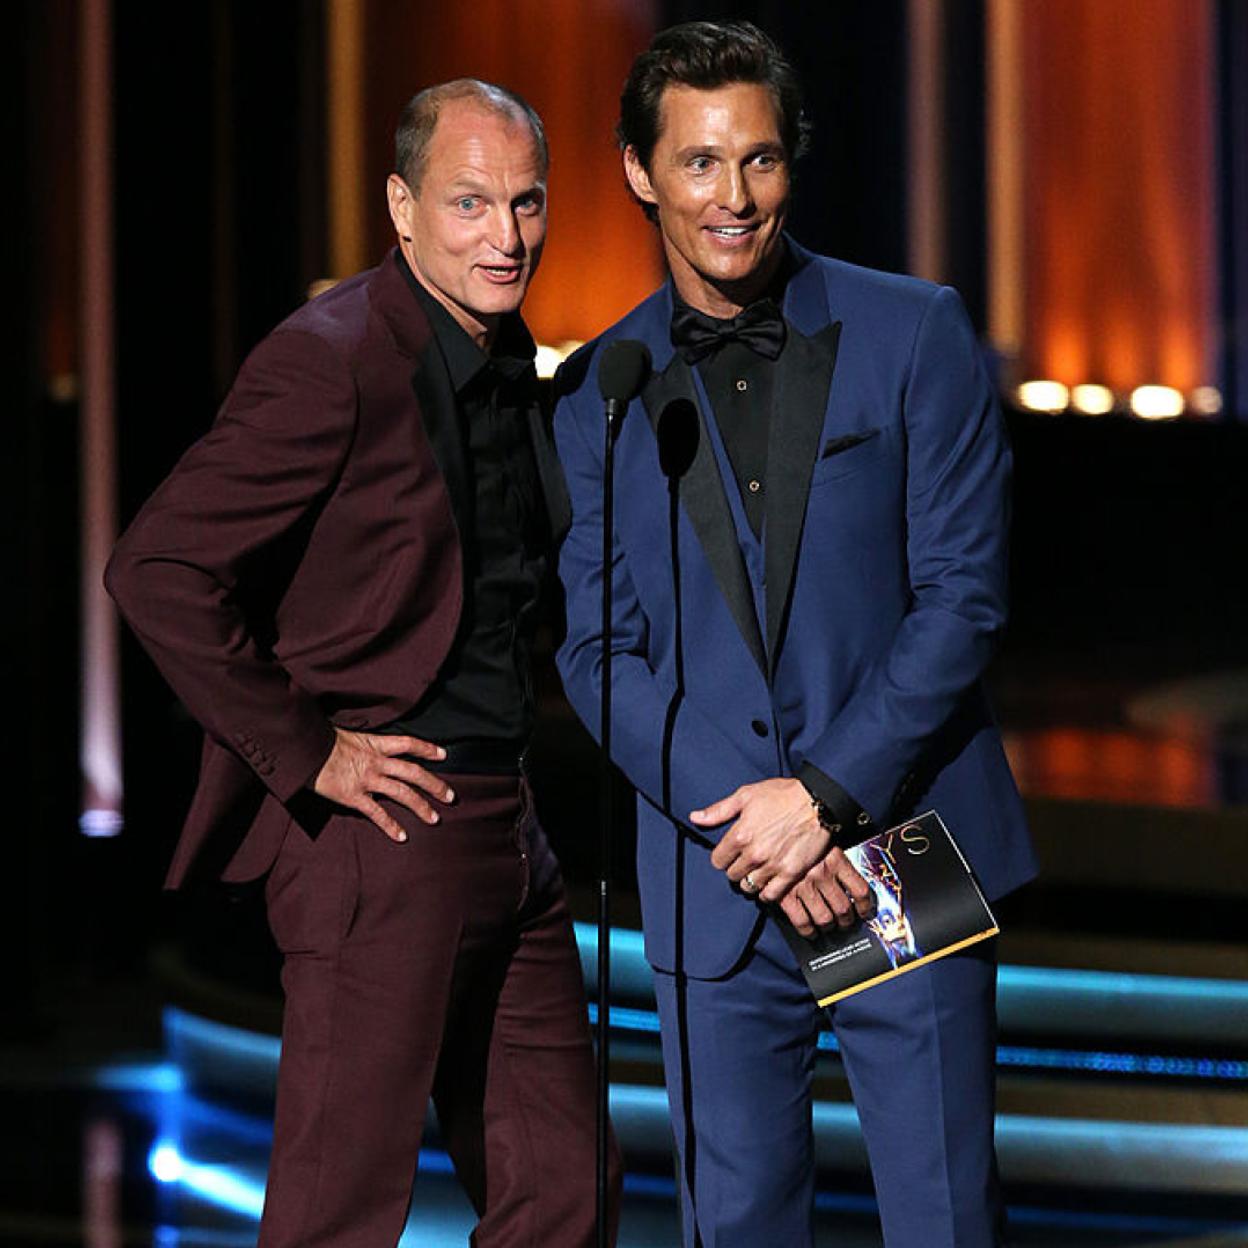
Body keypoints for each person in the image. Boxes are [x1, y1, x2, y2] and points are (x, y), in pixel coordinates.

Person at [107, 78, 619, 1248]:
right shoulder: (331, 357)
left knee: (567, 1193)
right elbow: (156, 569)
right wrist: (308, 750)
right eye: (470, 203)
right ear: (401, 205)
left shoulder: (507, 355)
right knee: (340, 1211)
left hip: (510, 823)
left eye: (527, 203)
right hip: (385, 834)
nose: (507, 236)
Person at [553, 21, 1036, 1248]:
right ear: (638, 171)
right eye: (702, 162)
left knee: (942, 1220)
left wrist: (821, 799)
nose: (734, 195)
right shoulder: (602, 391)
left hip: (901, 843)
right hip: (718, 874)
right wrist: (756, 816)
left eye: (760, 161)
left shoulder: (913, 330)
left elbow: (963, 598)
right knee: (741, 1225)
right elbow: (595, 653)